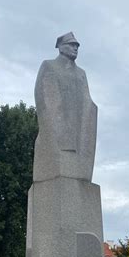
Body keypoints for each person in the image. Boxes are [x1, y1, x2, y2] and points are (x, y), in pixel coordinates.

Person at [34, 32, 97, 182]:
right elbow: (46, 102)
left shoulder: (81, 74)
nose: (75, 48)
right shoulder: (49, 66)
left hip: (80, 134)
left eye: (77, 45)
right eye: (71, 44)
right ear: (60, 47)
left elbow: (88, 102)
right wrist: (62, 135)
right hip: (58, 134)